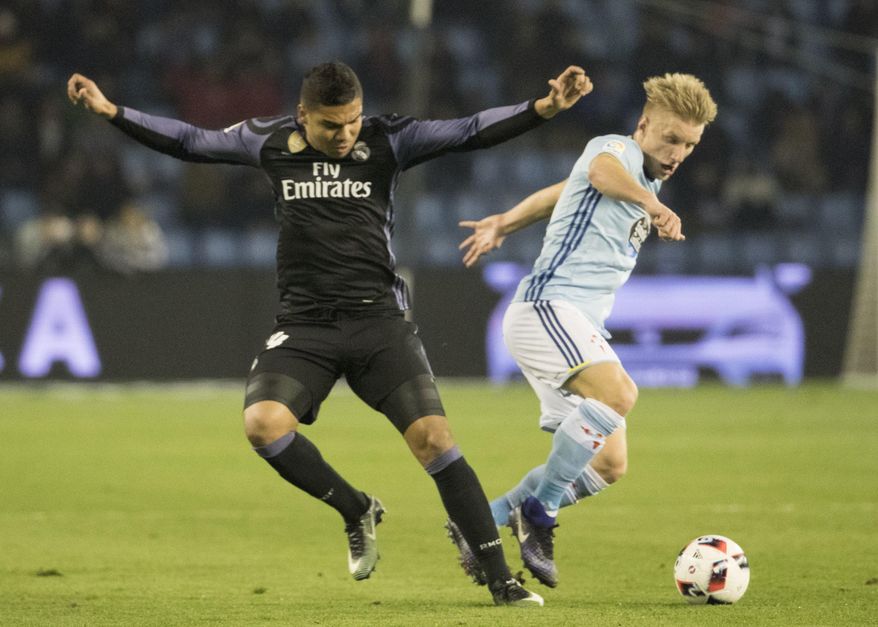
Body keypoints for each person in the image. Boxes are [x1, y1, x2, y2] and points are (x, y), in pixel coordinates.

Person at [67, 60, 591, 606]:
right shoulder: (266, 141)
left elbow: (468, 130)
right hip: (304, 325)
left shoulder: (388, 138)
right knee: (262, 427)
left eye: (351, 123)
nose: (344, 136)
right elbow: (192, 141)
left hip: (378, 323)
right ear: (302, 116)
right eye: (330, 126)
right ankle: (355, 508)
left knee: (435, 441)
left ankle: (501, 580)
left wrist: (544, 108)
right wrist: (111, 111)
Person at [453, 73, 717, 588]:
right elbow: (596, 172)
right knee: (620, 393)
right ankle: (539, 513)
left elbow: (564, 190)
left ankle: (481, 519)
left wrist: (505, 222)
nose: (679, 150)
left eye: (689, 143)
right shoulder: (614, 149)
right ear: (643, 126)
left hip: (576, 326)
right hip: (547, 308)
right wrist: (652, 204)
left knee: (608, 465)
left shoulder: (646, 178)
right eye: (670, 138)